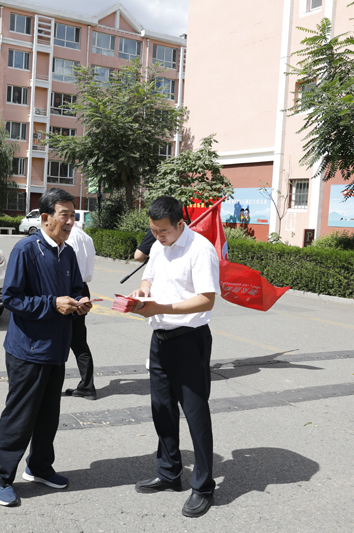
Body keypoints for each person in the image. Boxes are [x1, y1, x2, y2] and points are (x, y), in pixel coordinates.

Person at [0, 188, 93, 507]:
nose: (70, 222)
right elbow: (11, 298)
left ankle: (39, 467)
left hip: (56, 348)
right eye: (65, 215)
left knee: (48, 415)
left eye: (73, 216)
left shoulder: (67, 253)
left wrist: (81, 301)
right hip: (28, 350)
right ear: (45, 217)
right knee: (20, 416)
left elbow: (77, 287)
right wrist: (52, 304)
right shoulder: (26, 249)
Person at [129, 195, 219, 518]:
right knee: (162, 409)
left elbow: (206, 299)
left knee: (195, 414)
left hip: (189, 340)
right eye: (153, 230)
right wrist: (143, 290)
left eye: (163, 231)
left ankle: (203, 486)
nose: (158, 237)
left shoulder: (200, 249)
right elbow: (149, 277)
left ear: (181, 223)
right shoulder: (158, 246)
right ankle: (169, 472)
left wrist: (162, 307)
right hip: (160, 339)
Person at [64, 224, 97, 399]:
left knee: (58, 337)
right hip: (83, 288)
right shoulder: (86, 237)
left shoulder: (68, 237)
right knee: (79, 341)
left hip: (70, 288)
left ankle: (49, 385)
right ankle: (87, 386)